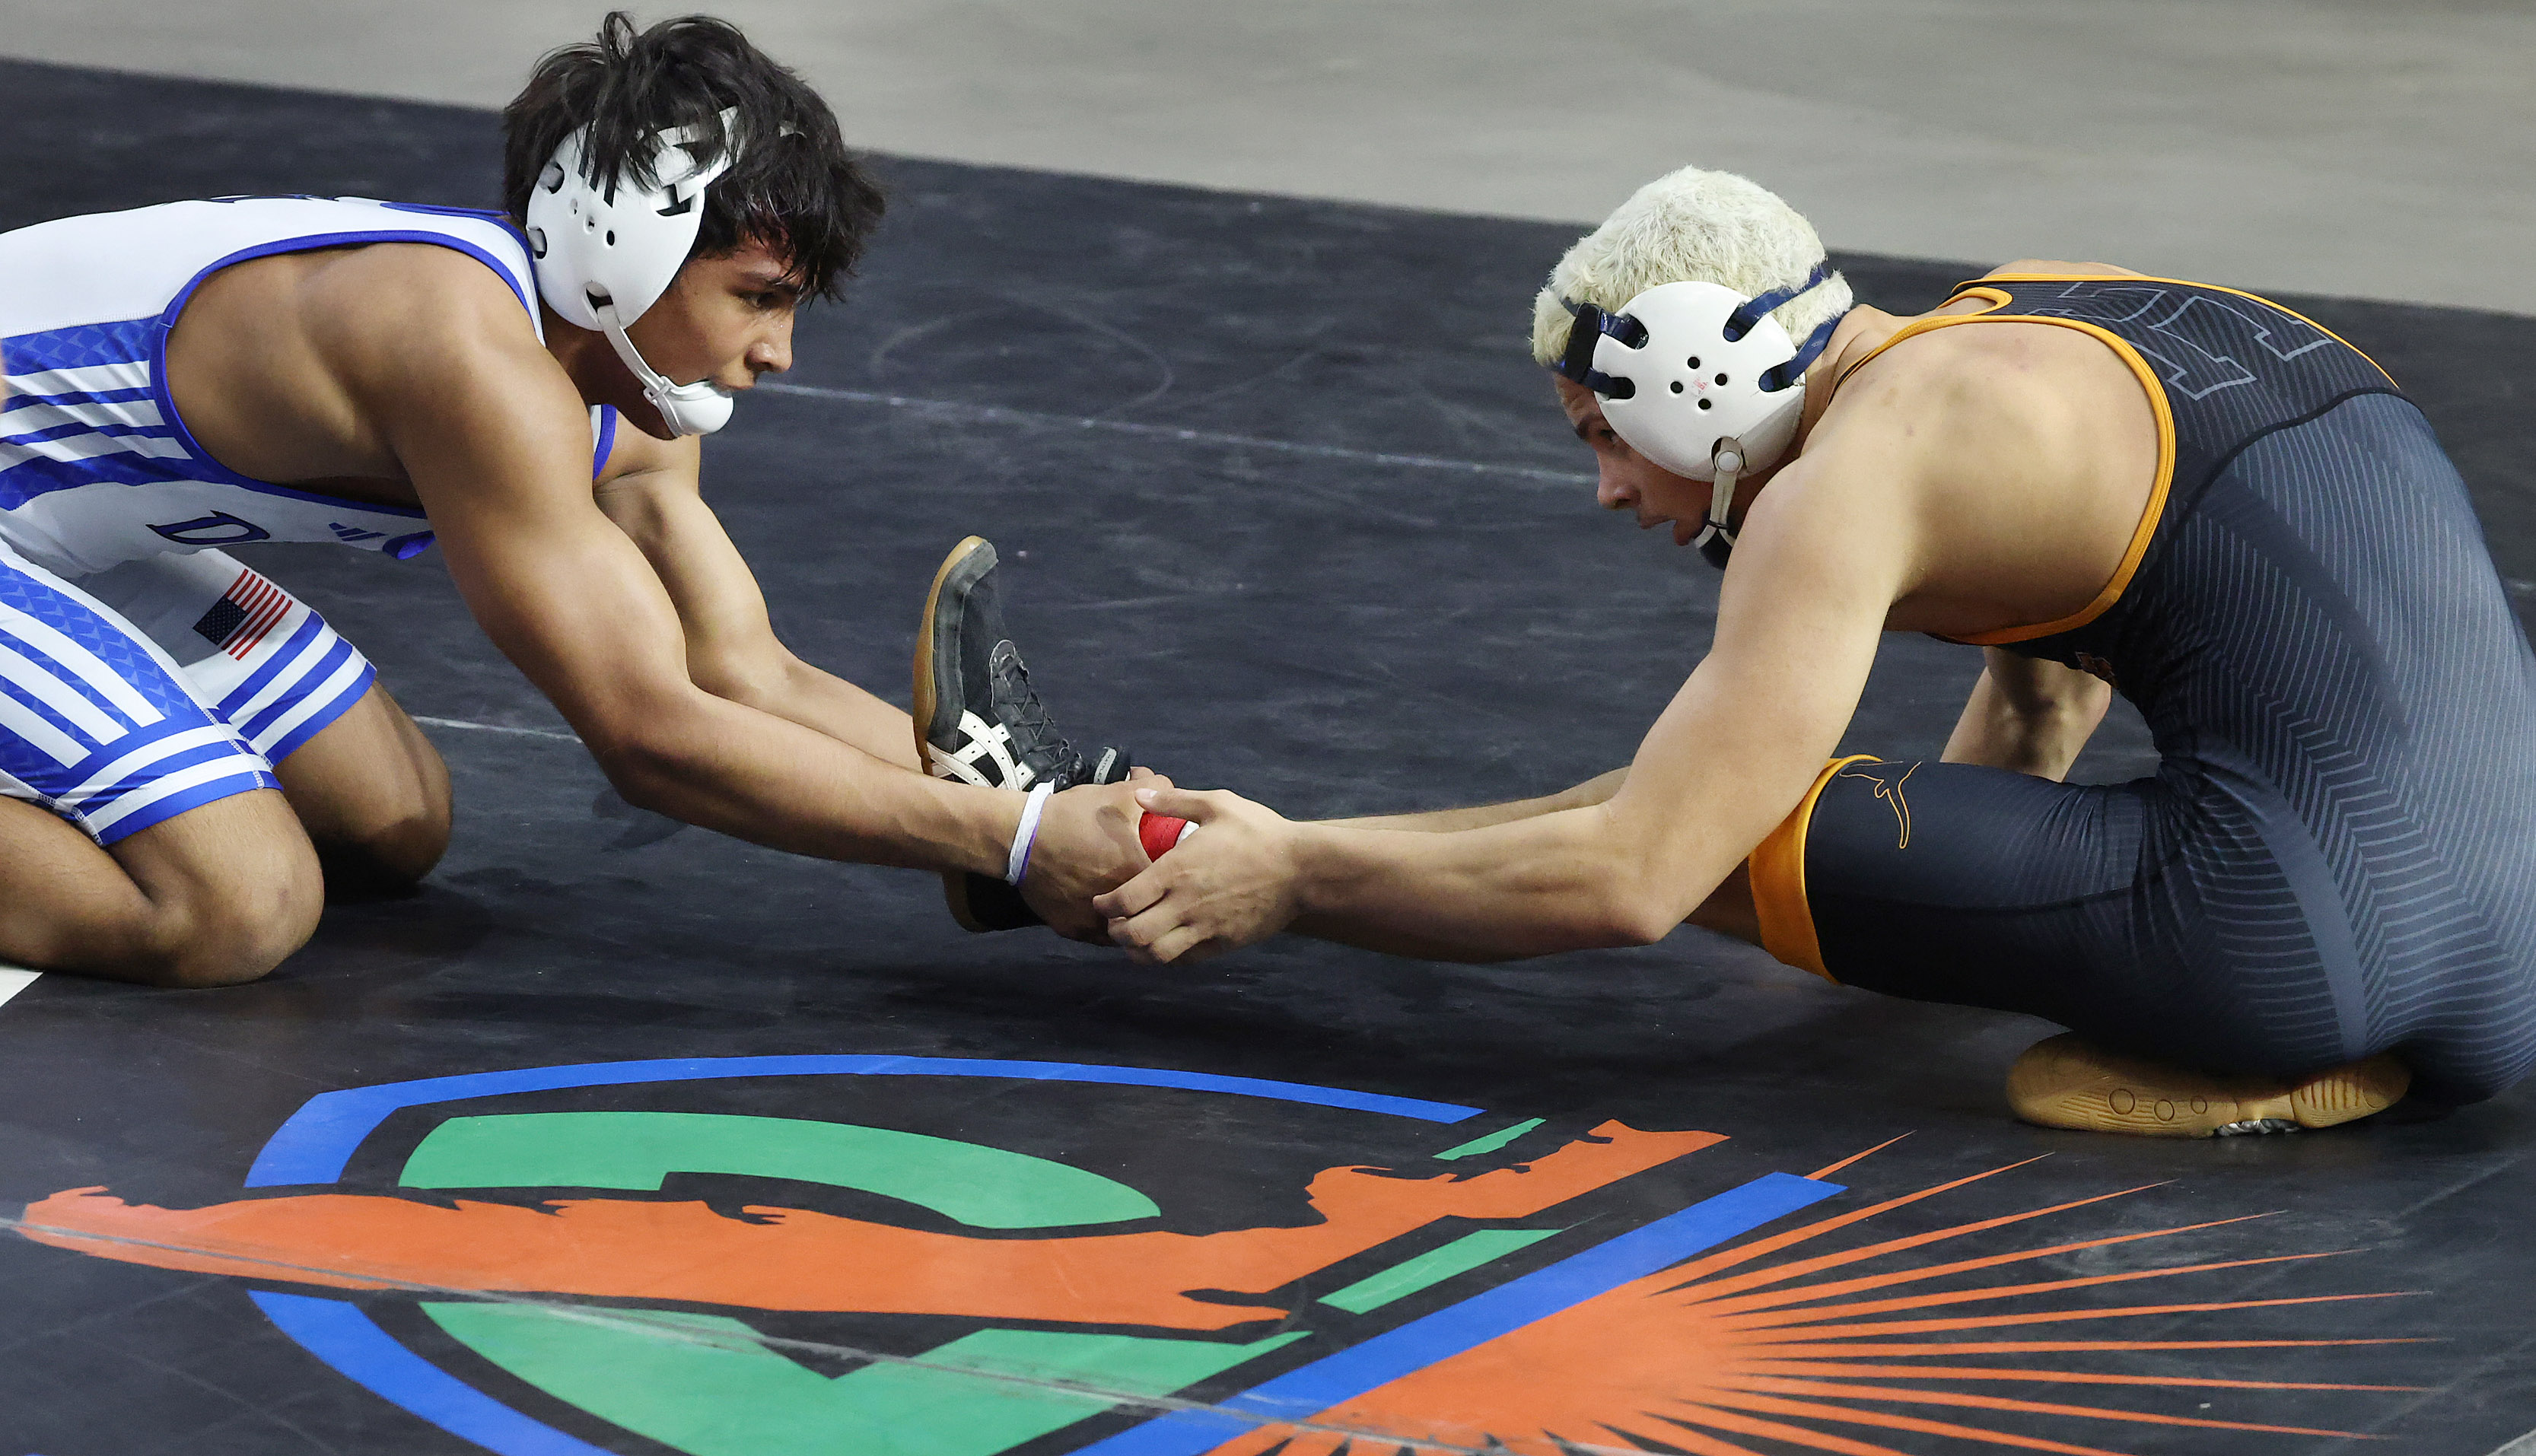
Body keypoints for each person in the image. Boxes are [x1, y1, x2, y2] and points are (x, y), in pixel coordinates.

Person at [1096, 166, 2536, 1137]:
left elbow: (1632, 877)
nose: (1606, 490)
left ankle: (1236, 855)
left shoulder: (1857, 473)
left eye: (1604, 436)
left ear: (1696, 377)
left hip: (2296, 941)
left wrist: (1293, 881)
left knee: (1711, 821)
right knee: (1756, 810)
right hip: (2513, 964)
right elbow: (2044, 703)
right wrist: (1898, 899)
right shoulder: (2050, 309)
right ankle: (2338, 1020)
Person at [0, 13, 1146, 987]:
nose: (778, 353)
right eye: (759, 298)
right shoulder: (461, 353)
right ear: (625, 244)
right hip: (35, 512)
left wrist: (1060, 803)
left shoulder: (620, 386)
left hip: (64, 519)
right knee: (238, 904)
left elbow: (746, 673)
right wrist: (1012, 843)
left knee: (392, 820)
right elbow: (652, 740)